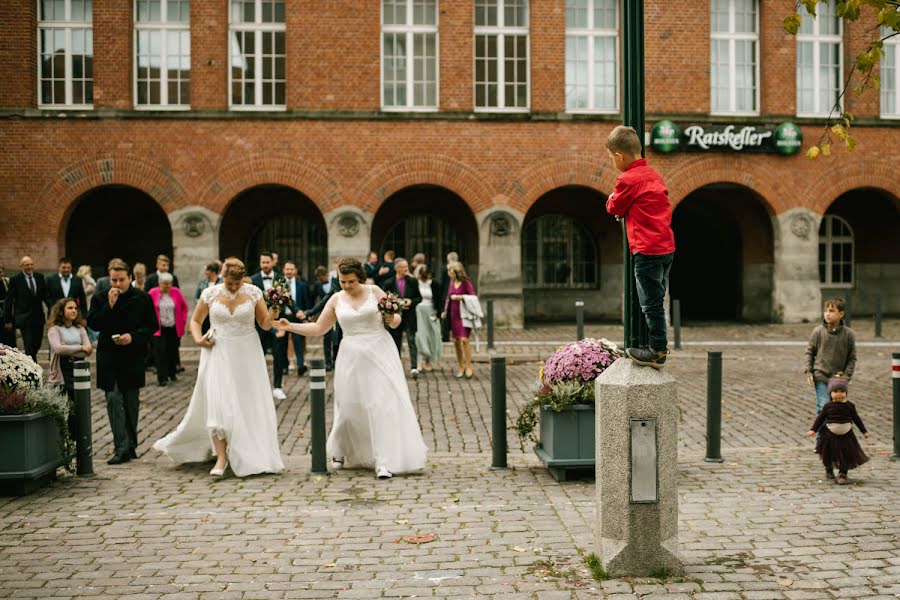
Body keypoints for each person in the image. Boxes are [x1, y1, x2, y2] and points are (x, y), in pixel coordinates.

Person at [274, 257, 427, 479]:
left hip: (379, 351)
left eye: (351, 282)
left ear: (360, 278)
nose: (346, 286)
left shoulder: (375, 292)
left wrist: (390, 315)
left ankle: (383, 460)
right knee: (349, 407)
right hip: (350, 355)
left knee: (380, 404)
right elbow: (318, 328)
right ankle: (344, 449)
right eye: (343, 282)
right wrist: (291, 326)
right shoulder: (336, 299)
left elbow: (395, 322)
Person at [153, 258, 285, 478]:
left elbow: (263, 324)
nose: (233, 287)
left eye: (236, 284)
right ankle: (222, 456)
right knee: (219, 401)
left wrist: (273, 313)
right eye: (229, 283)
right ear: (223, 276)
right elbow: (195, 321)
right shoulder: (210, 293)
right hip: (218, 350)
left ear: (242, 279)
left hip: (247, 353)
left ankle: (248, 450)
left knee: (246, 401)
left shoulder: (253, 292)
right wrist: (198, 340)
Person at [605, 125, 676, 369]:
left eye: (610, 158)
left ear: (619, 157)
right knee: (657, 295)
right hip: (666, 246)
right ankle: (650, 342)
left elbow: (614, 206)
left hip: (647, 250)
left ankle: (657, 350)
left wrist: (615, 204)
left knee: (651, 302)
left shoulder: (627, 179)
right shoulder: (654, 175)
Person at [87, 260, 159, 465]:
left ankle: (131, 445)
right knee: (112, 399)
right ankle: (121, 447)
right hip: (108, 356)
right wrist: (109, 306)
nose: (117, 284)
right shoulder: (101, 297)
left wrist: (132, 337)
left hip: (132, 356)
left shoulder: (142, 298)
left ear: (130, 278)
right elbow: (93, 323)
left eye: (121, 280)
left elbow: (151, 325)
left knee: (130, 402)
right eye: (113, 280)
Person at [805, 297, 857, 438]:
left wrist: (846, 376)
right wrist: (809, 371)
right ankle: (821, 440)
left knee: (837, 409)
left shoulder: (848, 335)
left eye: (832, 311)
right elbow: (810, 352)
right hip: (821, 375)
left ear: (841, 314)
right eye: (825, 311)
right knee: (823, 407)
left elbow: (852, 358)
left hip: (839, 380)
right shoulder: (818, 332)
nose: (827, 314)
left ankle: (834, 439)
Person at [806, 377, 868, 485]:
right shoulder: (828, 406)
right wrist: (813, 429)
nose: (839, 394)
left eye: (842, 391)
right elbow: (820, 419)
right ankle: (829, 469)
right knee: (829, 453)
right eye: (835, 391)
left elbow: (856, 419)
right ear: (830, 393)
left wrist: (864, 431)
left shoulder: (850, 406)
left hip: (847, 435)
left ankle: (843, 473)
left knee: (846, 454)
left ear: (846, 393)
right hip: (830, 435)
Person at [47, 298, 92, 441]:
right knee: (64, 406)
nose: (74, 311)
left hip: (78, 369)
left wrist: (69, 348)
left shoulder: (80, 329)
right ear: (61, 311)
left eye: (75, 308)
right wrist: (79, 348)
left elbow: (88, 350)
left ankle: (75, 439)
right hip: (62, 370)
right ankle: (60, 438)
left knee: (78, 406)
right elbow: (58, 349)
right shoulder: (54, 330)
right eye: (70, 308)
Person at [251, 251, 287, 400]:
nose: (265, 265)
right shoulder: (253, 280)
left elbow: (286, 301)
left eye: (267, 262)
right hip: (258, 326)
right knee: (259, 356)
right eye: (262, 262)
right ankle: (259, 388)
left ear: (273, 262)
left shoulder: (280, 279)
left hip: (277, 324)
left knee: (279, 356)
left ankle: (277, 387)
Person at [381, 257, 422, 379]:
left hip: (410, 317)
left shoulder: (412, 281)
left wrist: (411, 301)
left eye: (406, 266)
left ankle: (414, 367)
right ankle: (396, 367)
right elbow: (383, 300)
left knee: (411, 340)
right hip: (395, 318)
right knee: (395, 342)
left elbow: (419, 298)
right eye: (404, 267)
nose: (406, 269)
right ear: (397, 268)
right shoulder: (389, 283)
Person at [3, 256, 48, 361]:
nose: (29, 267)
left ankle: (32, 362)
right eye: (27, 265)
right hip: (24, 319)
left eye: (31, 264)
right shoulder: (15, 280)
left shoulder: (39, 277)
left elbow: (45, 296)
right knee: (29, 346)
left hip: (38, 318)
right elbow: (9, 300)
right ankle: (33, 370)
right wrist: (8, 319)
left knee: (37, 344)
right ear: (21, 266)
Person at [148, 273, 189, 387]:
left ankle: (172, 373)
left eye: (169, 284)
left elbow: (184, 307)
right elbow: (146, 308)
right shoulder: (152, 292)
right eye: (165, 284)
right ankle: (162, 378)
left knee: (172, 351)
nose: (167, 286)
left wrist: (183, 320)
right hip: (158, 329)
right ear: (159, 283)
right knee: (160, 352)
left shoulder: (176, 292)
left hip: (173, 328)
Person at [441, 262, 476, 379]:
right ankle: (461, 366)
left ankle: (469, 366)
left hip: (464, 315)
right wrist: (444, 311)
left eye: (451, 272)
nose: (449, 274)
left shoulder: (466, 282)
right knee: (456, 341)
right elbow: (448, 298)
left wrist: (460, 297)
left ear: (457, 272)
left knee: (465, 340)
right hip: (453, 315)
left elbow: (473, 297)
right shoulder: (451, 282)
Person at [305, 263, 342, 371]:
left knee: (338, 337)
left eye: (321, 277)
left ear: (326, 275)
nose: (319, 280)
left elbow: (327, 298)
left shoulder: (335, 281)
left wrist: (310, 312)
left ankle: (336, 360)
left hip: (339, 313)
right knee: (326, 338)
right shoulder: (317, 285)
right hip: (325, 314)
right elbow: (316, 300)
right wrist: (312, 313)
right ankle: (328, 362)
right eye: (318, 278)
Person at [278, 260, 311, 375]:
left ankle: (301, 365)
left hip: (297, 317)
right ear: (283, 270)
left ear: (295, 271)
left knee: (298, 342)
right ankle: (284, 367)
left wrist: (307, 315)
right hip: (283, 317)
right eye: (287, 269)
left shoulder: (302, 285)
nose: (289, 271)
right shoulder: (278, 285)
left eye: (291, 269)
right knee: (283, 343)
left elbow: (306, 302)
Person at [415, 266, 442, 372]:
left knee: (432, 335)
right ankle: (419, 361)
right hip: (419, 311)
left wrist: (438, 313)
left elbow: (439, 300)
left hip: (431, 311)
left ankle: (428, 360)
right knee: (420, 335)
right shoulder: (416, 283)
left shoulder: (434, 284)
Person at [438, 251, 459, 343]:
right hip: (456, 294)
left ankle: (445, 335)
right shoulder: (459, 268)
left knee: (446, 316)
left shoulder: (445, 268)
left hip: (446, 295)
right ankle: (456, 334)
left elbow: (442, 283)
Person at [0, 264, 15, 347]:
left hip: (7, 311)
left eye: (1, 271)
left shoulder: (6, 281)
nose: (0, 274)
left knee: (9, 338)